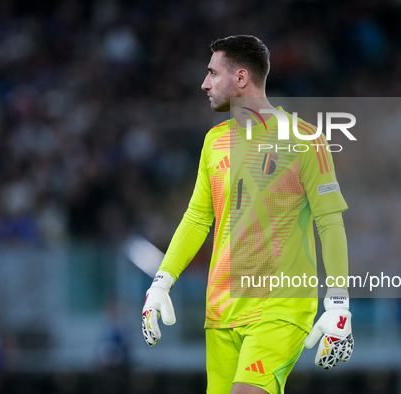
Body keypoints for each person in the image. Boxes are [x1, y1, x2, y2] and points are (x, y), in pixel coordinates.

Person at [142, 35, 353, 394]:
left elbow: (329, 220)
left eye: (212, 73)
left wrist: (338, 302)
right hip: (222, 308)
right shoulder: (214, 142)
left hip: (280, 306)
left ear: (241, 78)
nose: (204, 83)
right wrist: (161, 281)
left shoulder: (305, 139)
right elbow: (197, 218)